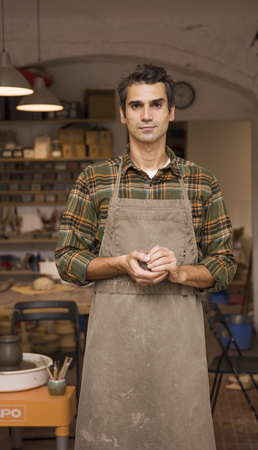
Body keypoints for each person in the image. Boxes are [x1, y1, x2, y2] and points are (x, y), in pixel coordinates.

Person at [55, 63, 236, 450]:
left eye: (156, 104)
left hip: (178, 351)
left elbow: (224, 265)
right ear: (123, 114)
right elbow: (67, 260)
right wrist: (120, 263)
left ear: (171, 111)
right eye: (136, 106)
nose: (147, 115)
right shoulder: (95, 179)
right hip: (113, 351)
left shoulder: (202, 181)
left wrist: (182, 272)